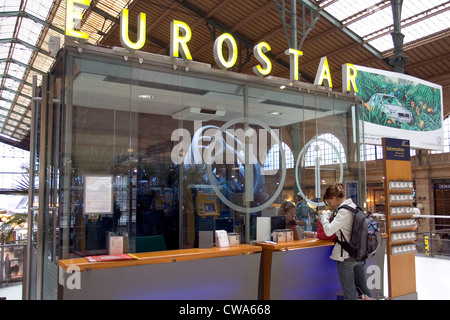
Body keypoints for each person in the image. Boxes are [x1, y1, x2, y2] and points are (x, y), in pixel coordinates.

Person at [320, 182, 372, 300]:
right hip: (359, 254)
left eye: (329, 201)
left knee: (350, 294)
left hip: (347, 258)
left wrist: (324, 217)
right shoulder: (355, 207)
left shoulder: (344, 211)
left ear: (333, 198)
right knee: (364, 292)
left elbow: (328, 230)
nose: (330, 204)